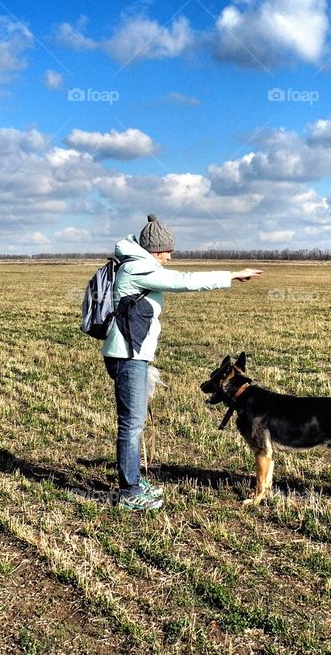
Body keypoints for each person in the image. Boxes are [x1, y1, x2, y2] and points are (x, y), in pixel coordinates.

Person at [103, 214, 263, 510]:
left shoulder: (139, 265)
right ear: (154, 249)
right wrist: (230, 275)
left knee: (133, 423)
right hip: (128, 356)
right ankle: (129, 492)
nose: (170, 255)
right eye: (167, 250)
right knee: (131, 425)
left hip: (131, 354)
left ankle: (134, 481)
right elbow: (183, 281)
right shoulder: (139, 268)